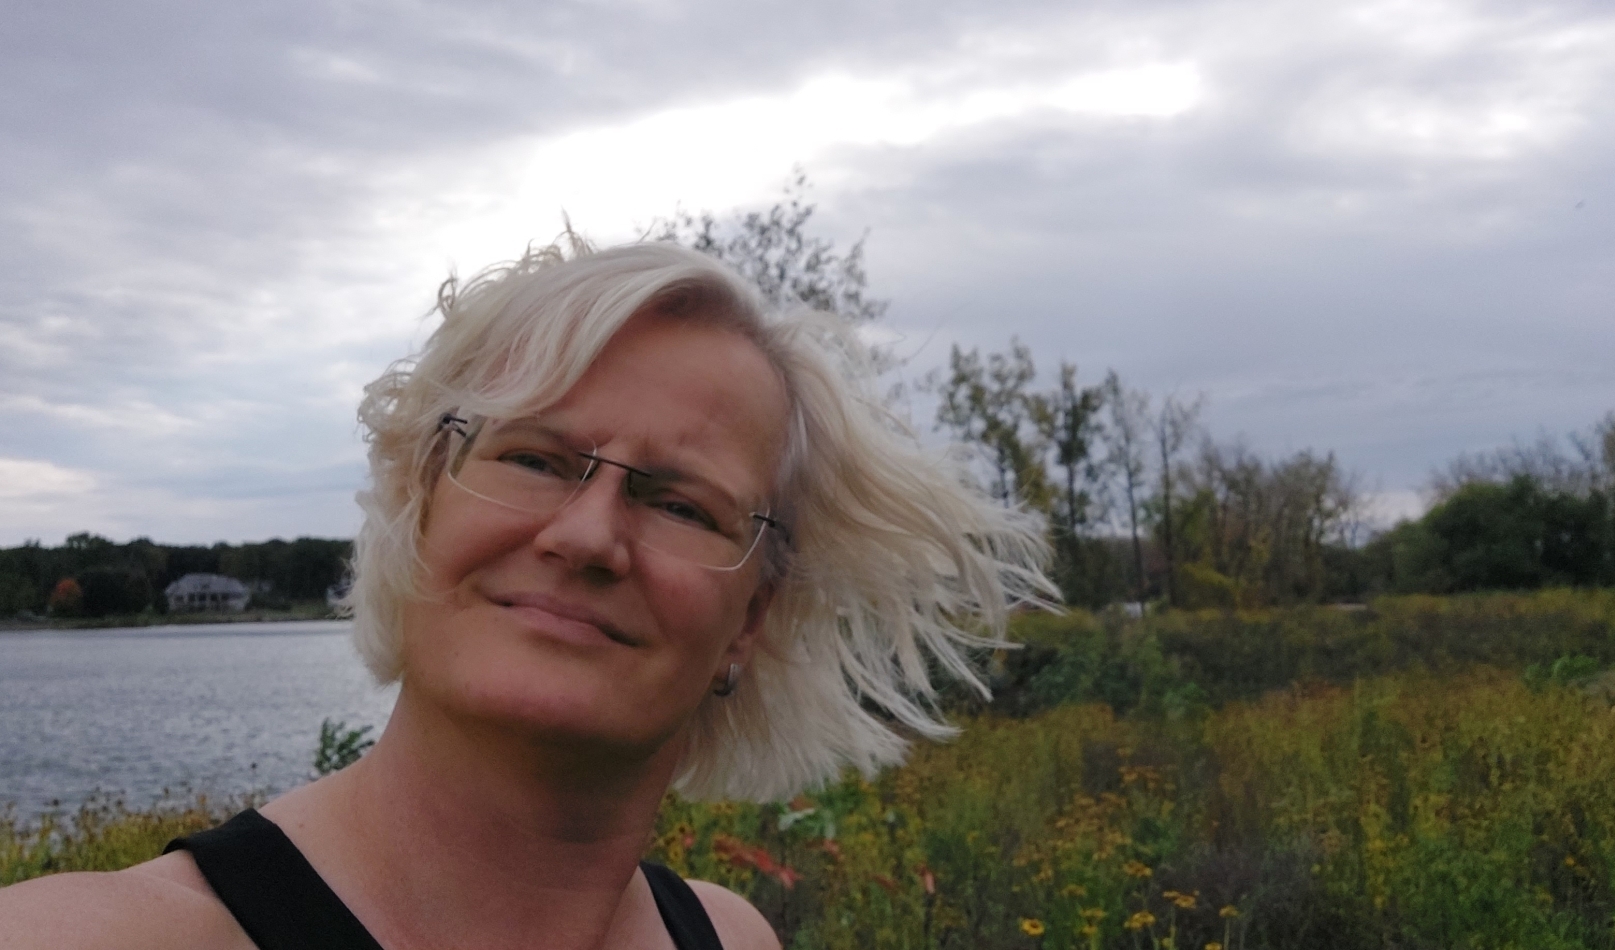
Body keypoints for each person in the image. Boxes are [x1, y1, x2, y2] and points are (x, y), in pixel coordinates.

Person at [0, 237, 1052, 949]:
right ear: (419, 506)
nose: (589, 533)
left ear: (752, 621)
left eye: (682, 505)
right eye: (537, 458)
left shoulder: (730, 938)